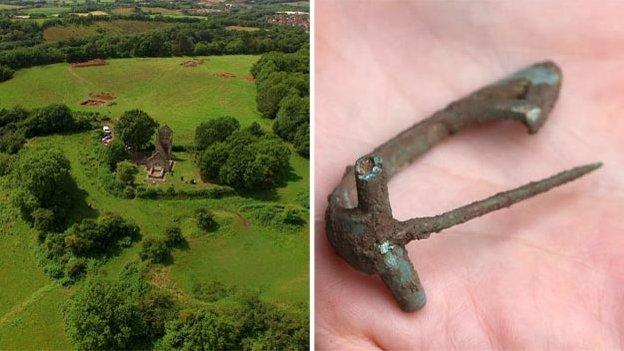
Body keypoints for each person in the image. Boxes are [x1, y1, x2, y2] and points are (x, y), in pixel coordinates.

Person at [315, 1, 624, 349]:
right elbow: (409, 294)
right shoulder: (359, 223)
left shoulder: (363, 221)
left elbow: (411, 295)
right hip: (358, 231)